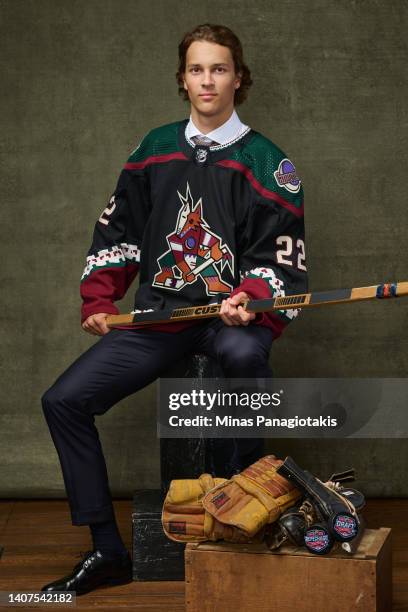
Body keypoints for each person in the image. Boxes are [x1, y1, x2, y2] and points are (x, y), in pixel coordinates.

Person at [41, 23, 307, 595]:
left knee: (243, 356)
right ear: (182, 80)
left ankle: (247, 508)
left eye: (218, 69)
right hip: (161, 317)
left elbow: (281, 258)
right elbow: (120, 230)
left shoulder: (269, 163)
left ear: (239, 78)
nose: (207, 80)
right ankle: (106, 550)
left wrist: (254, 300)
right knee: (63, 400)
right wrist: (100, 299)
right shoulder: (154, 148)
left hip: (229, 318)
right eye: (196, 69)